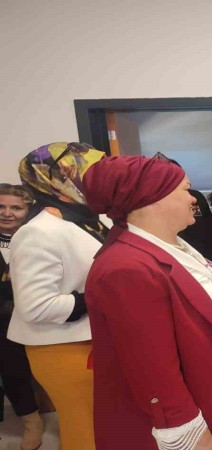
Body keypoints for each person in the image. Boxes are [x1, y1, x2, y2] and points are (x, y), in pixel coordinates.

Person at [81, 156, 212, 450]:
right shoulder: (127, 267)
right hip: (190, 406)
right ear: (152, 198)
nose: (193, 199)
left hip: (211, 381)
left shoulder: (171, 245)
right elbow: (151, 366)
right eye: (185, 189)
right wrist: (191, 436)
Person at [8, 142, 109, 450]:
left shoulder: (90, 219)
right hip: (64, 347)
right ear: (58, 179)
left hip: (94, 340)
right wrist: (103, 298)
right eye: (90, 173)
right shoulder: (38, 231)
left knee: (104, 426)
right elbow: (35, 306)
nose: (101, 180)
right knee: (87, 429)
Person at [0, 183, 43, 450]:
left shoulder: (39, 238)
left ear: (28, 211)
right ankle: (31, 420)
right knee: (11, 364)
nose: (7, 213)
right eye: (1, 207)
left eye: (15, 207)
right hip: (3, 320)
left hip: (40, 314)